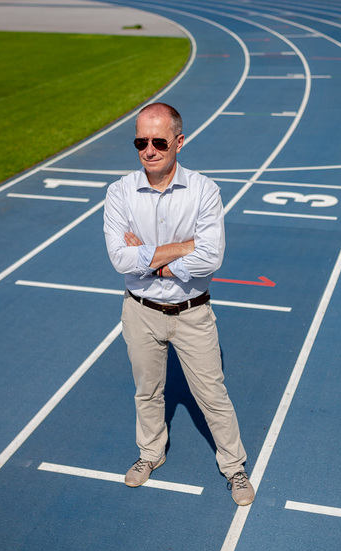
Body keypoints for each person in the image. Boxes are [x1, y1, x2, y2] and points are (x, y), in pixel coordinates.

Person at [103, 102, 254, 506]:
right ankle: (150, 454)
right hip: (140, 311)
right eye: (140, 141)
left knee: (212, 395)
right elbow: (120, 259)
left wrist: (151, 260)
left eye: (158, 141)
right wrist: (182, 250)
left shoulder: (204, 190)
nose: (148, 150)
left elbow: (211, 256)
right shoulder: (119, 192)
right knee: (147, 392)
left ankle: (234, 468)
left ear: (179, 142)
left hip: (193, 313)